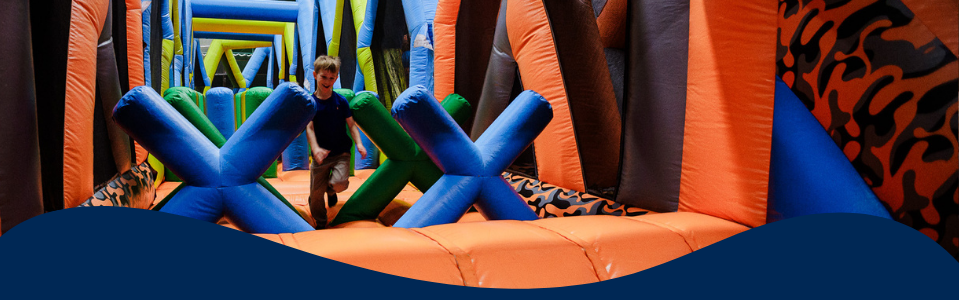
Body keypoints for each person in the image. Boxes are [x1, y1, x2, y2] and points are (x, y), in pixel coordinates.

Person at [305, 55, 367, 229]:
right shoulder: (311, 103)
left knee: (339, 184)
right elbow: (309, 128)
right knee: (316, 195)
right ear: (315, 75)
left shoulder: (340, 101)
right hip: (320, 156)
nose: (327, 81)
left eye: (332, 78)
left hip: (341, 152)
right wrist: (315, 149)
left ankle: (331, 190)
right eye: (324, 77)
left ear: (336, 78)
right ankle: (321, 222)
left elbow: (352, 126)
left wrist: (360, 144)